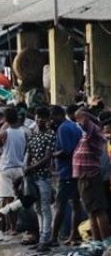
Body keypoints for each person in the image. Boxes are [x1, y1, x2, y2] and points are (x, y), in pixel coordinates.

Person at [73, 108, 111, 240]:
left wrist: (85, 113)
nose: (78, 121)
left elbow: (80, 115)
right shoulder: (91, 132)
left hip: (90, 176)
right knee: (92, 212)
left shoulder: (93, 131)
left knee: (99, 211)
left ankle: (105, 243)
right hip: (86, 176)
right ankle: (97, 242)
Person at [24, 107, 55, 251]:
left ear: (48, 120)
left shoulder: (50, 135)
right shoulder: (32, 136)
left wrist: (30, 168)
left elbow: (47, 158)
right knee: (38, 208)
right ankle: (43, 237)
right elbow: (29, 154)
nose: (39, 120)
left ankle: (45, 238)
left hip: (43, 176)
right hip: (33, 176)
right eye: (38, 117)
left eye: (43, 118)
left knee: (45, 207)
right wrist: (26, 169)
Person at [51, 105, 83, 246]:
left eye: (51, 117)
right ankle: (73, 235)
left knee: (60, 205)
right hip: (76, 171)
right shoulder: (74, 126)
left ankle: (53, 238)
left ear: (57, 115)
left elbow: (67, 150)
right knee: (76, 204)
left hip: (66, 172)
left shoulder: (63, 128)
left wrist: (53, 154)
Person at [0, 107, 27, 234]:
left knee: (8, 200)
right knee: (17, 200)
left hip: (5, 168)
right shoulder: (24, 132)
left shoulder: (4, 133)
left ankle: (11, 227)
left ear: (6, 119)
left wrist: (1, 151)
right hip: (19, 168)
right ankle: (11, 226)